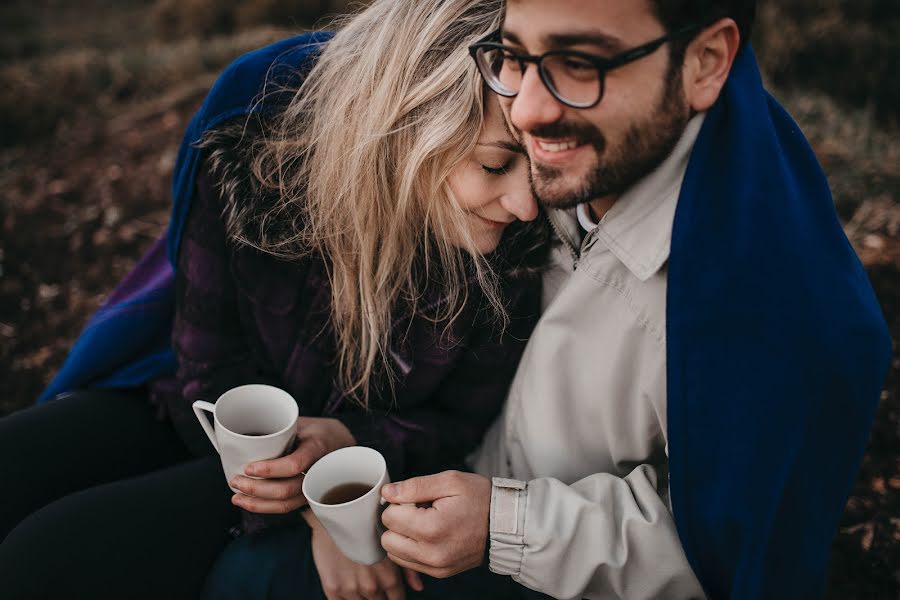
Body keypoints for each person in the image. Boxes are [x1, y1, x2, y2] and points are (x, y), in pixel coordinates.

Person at [0, 1, 547, 598]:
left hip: (352, 464)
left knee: (43, 560)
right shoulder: (254, 164)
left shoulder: (514, 250)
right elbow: (207, 360)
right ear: (405, 123)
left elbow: (460, 420)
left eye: (537, 168)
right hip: (213, 422)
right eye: (495, 164)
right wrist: (299, 492)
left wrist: (335, 481)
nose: (526, 204)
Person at [380, 1, 892, 598]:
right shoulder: (592, 153)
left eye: (578, 63)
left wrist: (504, 526)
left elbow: (728, 554)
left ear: (705, 62)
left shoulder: (781, 317)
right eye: (516, 54)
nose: (525, 109)